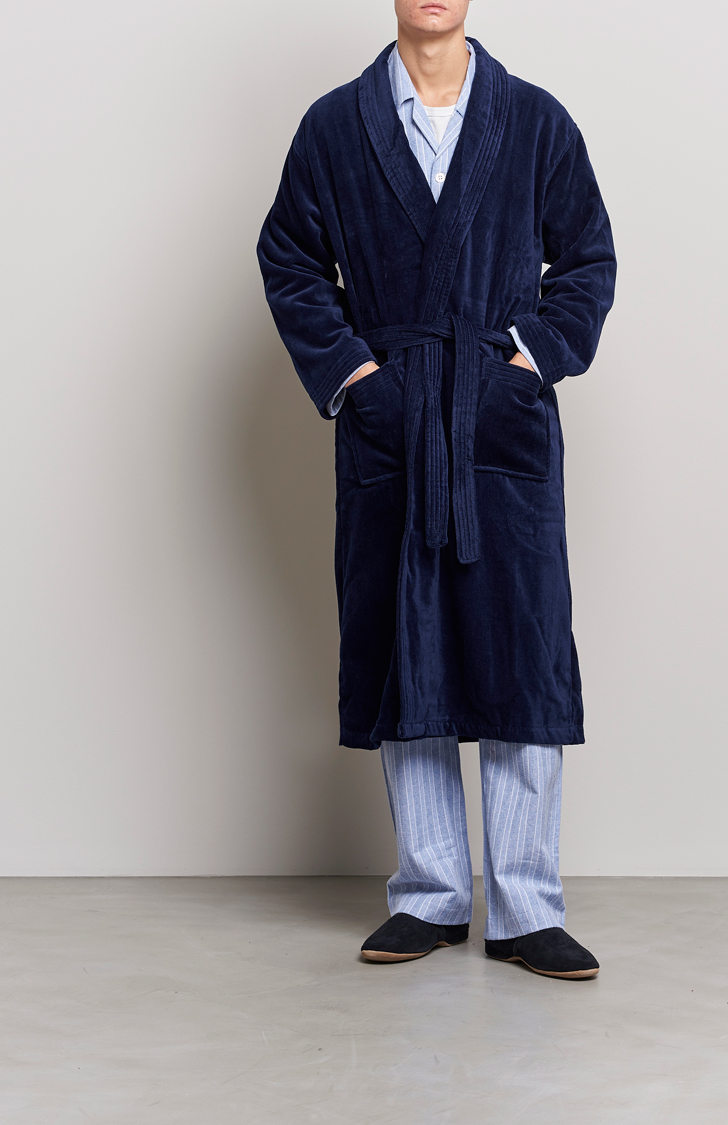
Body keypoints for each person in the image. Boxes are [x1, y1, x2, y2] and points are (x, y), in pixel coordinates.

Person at [257, 0, 616, 980]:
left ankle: (528, 906)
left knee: (521, 647)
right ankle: (428, 893)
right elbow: (290, 260)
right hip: (395, 418)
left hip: (497, 418)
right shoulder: (335, 126)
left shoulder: (535, 119)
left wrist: (526, 364)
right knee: (404, 642)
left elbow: (587, 257)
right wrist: (359, 381)